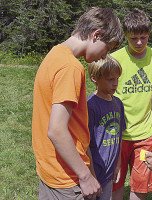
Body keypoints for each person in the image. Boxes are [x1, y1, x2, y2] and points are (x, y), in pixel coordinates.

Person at [31, 7, 123, 200]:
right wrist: (85, 175)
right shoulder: (71, 67)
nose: (105, 55)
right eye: (107, 48)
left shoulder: (54, 54)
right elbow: (56, 129)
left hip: (49, 169)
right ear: (96, 35)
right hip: (67, 177)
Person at [111, 8, 152, 200]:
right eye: (133, 38)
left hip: (145, 136)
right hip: (118, 135)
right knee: (116, 181)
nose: (139, 43)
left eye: (143, 37)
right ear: (126, 36)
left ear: (149, 34)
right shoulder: (115, 58)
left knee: (140, 184)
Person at [87, 56, 126, 200]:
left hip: (110, 171)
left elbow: (119, 135)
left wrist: (118, 165)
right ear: (94, 78)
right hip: (94, 172)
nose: (115, 84)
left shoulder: (118, 103)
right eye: (110, 79)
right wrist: (91, 174)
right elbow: (85, 143)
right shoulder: (90, 105)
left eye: (117, 79)